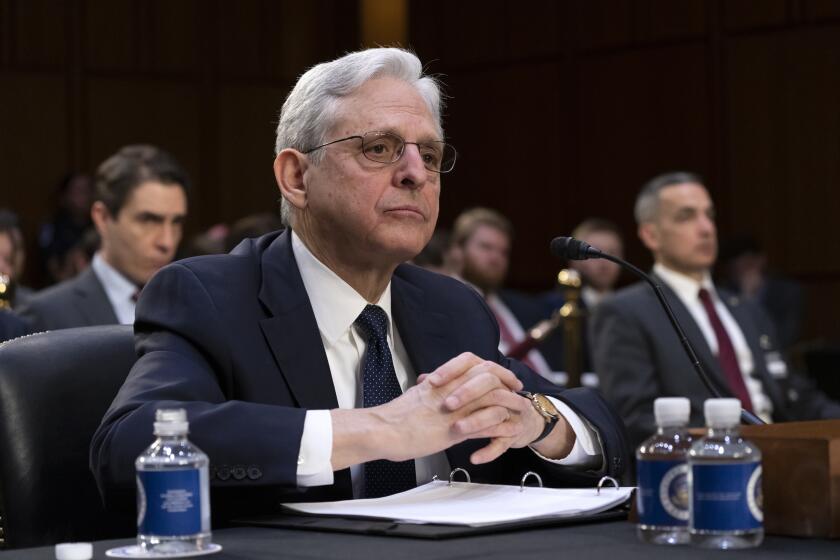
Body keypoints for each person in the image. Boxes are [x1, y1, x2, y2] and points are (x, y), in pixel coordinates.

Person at [91, 48, 628, 521]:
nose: (416, 173)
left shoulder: (449, 305)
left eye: (431, 155)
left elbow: (598, 423)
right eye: (379, 149)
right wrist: (379, 430)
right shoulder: (209, 296)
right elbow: (131, 444)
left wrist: (538, 422)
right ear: (297, 178)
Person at [590, 171, 840, 448]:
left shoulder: (743, 307)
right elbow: (637, 420)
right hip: (709, 465)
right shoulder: (625, 311)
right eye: (687, 216)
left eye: (709, 215)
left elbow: (796, 395)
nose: (706, 228)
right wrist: (730, 450)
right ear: (651, 235)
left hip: (787, 454)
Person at [18, 145, 189, 331]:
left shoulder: (196, 308)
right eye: (148, 220)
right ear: (103, 217)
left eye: (176, 222)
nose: (167, 242)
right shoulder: (47, 316)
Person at [452, 208, 566, 382]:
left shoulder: (525, 307)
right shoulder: (445, 302)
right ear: (458, 250)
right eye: (486, 247)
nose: (496, 258)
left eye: (503, 252)